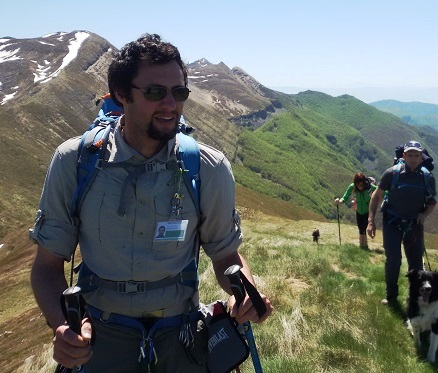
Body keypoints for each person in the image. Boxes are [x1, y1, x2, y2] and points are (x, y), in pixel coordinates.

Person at [29, 34, 273, 372]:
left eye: (179, 92)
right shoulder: (76, 161)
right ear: (120, 94)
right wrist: (61, 327)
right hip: (98, 338)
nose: (171, 105)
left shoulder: (207, 167)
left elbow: (226, 256)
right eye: (155, 93)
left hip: (181, 335)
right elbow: (46, 267)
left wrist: (244, 293)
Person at [367, 140, 437, 305]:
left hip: (414, 224)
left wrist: (424, 215)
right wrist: (371, 221)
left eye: (417, 155)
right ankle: (391, 297)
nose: (413, 159)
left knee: (416, 264)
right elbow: (376, 196)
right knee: (393, 260)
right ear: (404, 156)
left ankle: (415, 299)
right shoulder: (392, 174)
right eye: (410, 155)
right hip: (392, 221)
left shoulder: (427, 177)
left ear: (421, 157)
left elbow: (432, 202)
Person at [334, 172, 377, 249]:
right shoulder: (353, 186)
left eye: (361, 185)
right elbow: (346, 195)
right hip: (359, 212)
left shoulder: (370, 187)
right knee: (361, 229)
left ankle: (363, 247)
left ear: (364, 183)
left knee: (364, 229)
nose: (359, 187)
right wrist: (340, 201)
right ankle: (363, 247)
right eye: (357, 185)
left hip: (367, 212)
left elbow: (382, 192)